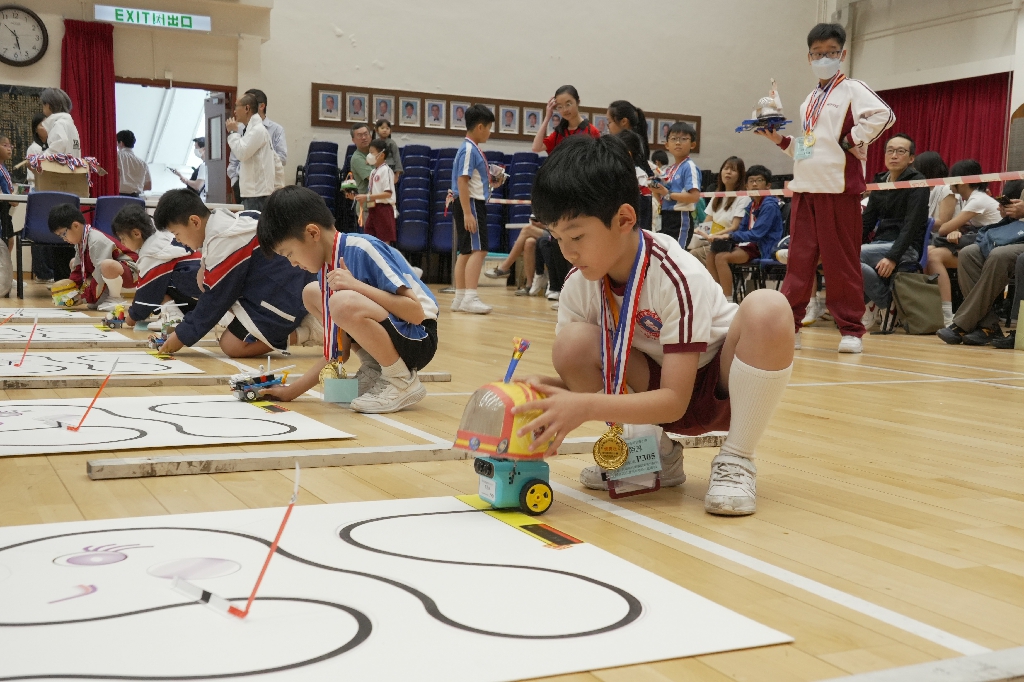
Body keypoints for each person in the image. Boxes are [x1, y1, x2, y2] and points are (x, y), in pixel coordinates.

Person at [520, 134, 794, 516]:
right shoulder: (577, 286)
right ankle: (654, 454)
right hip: (653, 387)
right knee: (571, 345)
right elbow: (593, 378)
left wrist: (581, 405)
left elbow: (674, 401)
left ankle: (737, 457)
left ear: (624, 219)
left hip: (719, 387)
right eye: (557, 238)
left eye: (577, 236)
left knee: (769, 307)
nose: (568, 252)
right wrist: (543, 392)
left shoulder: (675, 273)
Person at [755, 22, 894, 354]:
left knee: (840, 262)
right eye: (817, 53)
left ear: (842, 54)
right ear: (809, 57)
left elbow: (884, 115)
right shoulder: (809, 100)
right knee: (799, 262)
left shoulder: (853, 89)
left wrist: (851, 140)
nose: (823, 58)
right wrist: (779, 140)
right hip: (805, 187)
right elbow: (808, 146)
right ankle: (790, 326)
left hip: (838, 188)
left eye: (831, 52)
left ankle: (851, 330)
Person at [256, 185, 440, 413]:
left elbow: (415, 313)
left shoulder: (362, 248)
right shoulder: (326, 268)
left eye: (289, 253)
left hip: (419, 337)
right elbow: (339, 353)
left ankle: (401, 380)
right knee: (311, 293)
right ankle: (375, 366)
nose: (292, 263)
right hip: (396, 334)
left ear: (312, 233)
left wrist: (356, 286)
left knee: (341, 302)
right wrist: (291, 391)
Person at [151, 189, 319, 357]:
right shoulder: (227, 221)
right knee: (203, 280)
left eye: (177, 233)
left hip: (286, 296)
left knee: (231, 345)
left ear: (195, 221)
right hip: (287, 284)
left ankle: (310, 331)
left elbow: (213, 302)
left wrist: (180, 336)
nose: (178, 240)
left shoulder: (225, 240)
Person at [936, 192, 1024, 347]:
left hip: (1017, 245)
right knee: (968, 253)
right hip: (1016, 236)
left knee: (999, 255)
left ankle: (962, 323)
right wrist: (1009, 212)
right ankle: (988, 326)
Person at [858, 133, 929, 319]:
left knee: (854, 256)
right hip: (879, 244)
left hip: (906, 247)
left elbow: (912, 225)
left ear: (911, 158)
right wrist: (849, 244)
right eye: (890, 151)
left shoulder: (918, 182)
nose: (894, 156)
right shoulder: (881, 181)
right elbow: (867, 221)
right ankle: (876, 301)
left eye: (900, 151)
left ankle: (885, 302)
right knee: (844, 255)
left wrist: (892, 257)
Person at [925, 159, 1002, 327]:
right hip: (984, 243)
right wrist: (957, 229)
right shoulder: (972, 199)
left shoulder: (978, 200)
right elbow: (961, 227)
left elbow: (943, 229)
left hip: (994, 249)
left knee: (933, 256)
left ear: (962, 181)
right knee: (928, 251)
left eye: (952, 178)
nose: (949, 183)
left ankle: (947, 315)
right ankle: (931, 309)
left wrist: (953, 228)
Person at [110, 204, 201, 326]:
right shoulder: (163, 234)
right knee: (159, 282)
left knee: (155, 287)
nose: (122, 243)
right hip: (201, 284)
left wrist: (132, 317)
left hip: (196, 290)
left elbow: (145, 295)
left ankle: (173, 317)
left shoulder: (151, 253)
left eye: (123, 238)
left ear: (136, 233)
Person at [706, 166, 784, 299]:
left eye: (759, 180)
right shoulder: (751, 205)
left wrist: (730, 236)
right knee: (711, 254)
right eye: (751, 181)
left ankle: (727, 300)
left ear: (768, 186)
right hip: (748, 244)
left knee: (722, 257)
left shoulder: (770, 205)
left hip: (762, 247)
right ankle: (716, 297)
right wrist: (723, 237)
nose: (754, 184)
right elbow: (742, 229)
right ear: (746, 186)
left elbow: (757, 234)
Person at [450, 105, 499, 315]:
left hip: (468, 203)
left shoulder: (469, 148)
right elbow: (463, 181)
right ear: (480, 127)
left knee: (466, 252)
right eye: (489, 128)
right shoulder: (470, 149)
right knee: (479, 250)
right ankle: (470, 297)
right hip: (471, 204)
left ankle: (460, 297)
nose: (489, 132)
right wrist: (468, 213)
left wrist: (492, 182)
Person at [47, 204, 139, 311]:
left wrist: (84, 297)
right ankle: (103, 297)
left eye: (63, 234)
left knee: (106, 265)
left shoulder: (96, 240)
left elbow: (100, 272)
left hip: (133, 272)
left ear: (76, 226)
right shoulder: (81, 241)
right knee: (74, 262)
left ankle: (115, 298)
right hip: (113, 272)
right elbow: (78, 270)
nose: (64, 239)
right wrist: (71, 291)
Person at [227, 89, 287, 204]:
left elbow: (242, 153)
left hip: (258, 193)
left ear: (247, 108)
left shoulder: (258, 130)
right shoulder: (252, 128)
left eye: (236, 107)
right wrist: (235, 182)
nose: (234, 111)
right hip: (250, 190)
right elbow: (235, 158)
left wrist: (233, 133)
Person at [650, 122, 701, 245]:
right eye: (674, 139)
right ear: (667, 144)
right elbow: (661, 196)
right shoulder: (669, 170)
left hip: (681, 217)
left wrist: (667, 193)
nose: (678, 142)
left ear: (693, 144)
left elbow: (694, 197)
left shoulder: (689, 166)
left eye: (683, 139)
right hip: (665, 216)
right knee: (665, 254)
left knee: (676, 254)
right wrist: (655, 188)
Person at [691, 157, 749, 264]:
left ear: (740, 175)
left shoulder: (743, 197)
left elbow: (735, 227)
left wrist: (715, 236)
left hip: (729, 242)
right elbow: (707, 223)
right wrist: (696, 231)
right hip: (713, 240)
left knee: (694, 254)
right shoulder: (717, 196)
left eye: (733, 170)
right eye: (726, 168)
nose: (728, 172)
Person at [484, 217, 548, 296]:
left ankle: (504, 267)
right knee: (529, 242)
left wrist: (544, 225)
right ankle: (529, 285)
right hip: (546, 231)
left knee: (527, 229)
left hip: (556, 233)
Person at [531, 85, 601, 155]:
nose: (565, 110)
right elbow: (536, 148)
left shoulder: (591, 131)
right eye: (560, 107)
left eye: (568, 104)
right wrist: (547, 118)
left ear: (578, 102)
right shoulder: (559, 133)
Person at [355, 138, 397, 244]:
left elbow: (388, 193)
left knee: (383, 242)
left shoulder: (386, 170)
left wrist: (367, 197)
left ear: (381, 155)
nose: (369, 155)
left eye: (372, 152)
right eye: (369, 152)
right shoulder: (373, 171)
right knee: (369, 240)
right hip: (372, 208)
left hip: (384, 209)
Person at [913, 151, 960, 234]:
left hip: (942, 237)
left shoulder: (947, 189)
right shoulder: (921, 189)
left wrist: (912, 222)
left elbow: (943, 222)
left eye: (916, 168)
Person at [616, 130, 653, 231]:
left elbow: (644, 206)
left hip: (637, 228)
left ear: (628, 154)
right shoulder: (617, 173)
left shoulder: (640, 175)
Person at [39, 88, 80, 157]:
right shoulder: (70, 124)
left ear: (48, 105)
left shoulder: (59, 124)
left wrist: (39, 158)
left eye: (43, 105)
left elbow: (57, 147)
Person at [116, 130, 152, 197]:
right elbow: (149, 186)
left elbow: (117, 174)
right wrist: (135, 188)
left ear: (121, 143)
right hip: (136, 198)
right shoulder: (143, 163)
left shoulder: (117, 156)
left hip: (119, 196)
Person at [173, 137, 208, 201]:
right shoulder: (206, 165)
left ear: (204, 149)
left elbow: (197, 186)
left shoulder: (204, 166)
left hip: (199, 200)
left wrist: (186, 180)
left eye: (196, 148)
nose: (195, 150)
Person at [349, 123, 374, 195]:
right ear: (353, 140)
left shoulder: (378, 152)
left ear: (370, 136)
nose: (363, 137)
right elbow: (375, 179)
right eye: (359, 135)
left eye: (366, 134)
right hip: (367, 199)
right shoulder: (357, 158)